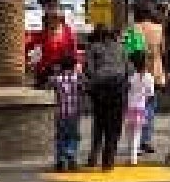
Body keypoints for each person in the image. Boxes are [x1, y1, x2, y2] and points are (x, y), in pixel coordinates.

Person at [84, 23, 127, 171]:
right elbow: (128, 69)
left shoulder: (92, 48)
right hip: (118, 89)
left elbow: (88, 70)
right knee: (114, 127)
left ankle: (93, 157)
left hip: (100, 90)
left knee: (99, 124)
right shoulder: (120, 47)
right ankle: (108, 162)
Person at [131, 0, 167, 155]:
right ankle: (146, 140)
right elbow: (163, 50)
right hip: (155, 72)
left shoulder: (133, 29)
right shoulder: (158, 29)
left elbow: (131, 52)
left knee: (136, 106)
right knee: (150, 106)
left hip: (136, 72)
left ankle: (136, 141)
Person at [28, 0, 78, 87]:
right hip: (46, 70)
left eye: (56, 17)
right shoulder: (42, 34)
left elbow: (74, 52)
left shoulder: (68, 32)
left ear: (61, 18)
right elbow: (29, 46)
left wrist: (77, 65)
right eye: (51, 17)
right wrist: (29, 62)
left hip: (64, 70)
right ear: (47, 18)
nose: (54, 20)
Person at [51, 50, 84, 171]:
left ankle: (60, 160)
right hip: (74, 113)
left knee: (60, 136)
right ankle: (71, 156)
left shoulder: (56, 79)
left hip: (60, 113)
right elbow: (84, 87)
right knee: (73, 135)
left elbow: (48, 84)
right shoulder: (78, 78)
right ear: (74, 66)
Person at [122, 47, 156, 166]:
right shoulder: (148, 77)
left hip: (129, 107)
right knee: (137, 133)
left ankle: (131, 155)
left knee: (129, 133)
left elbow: (126, 90)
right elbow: (150, 93)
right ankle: (133, 158)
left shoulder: (131, 77)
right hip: (141, 108)